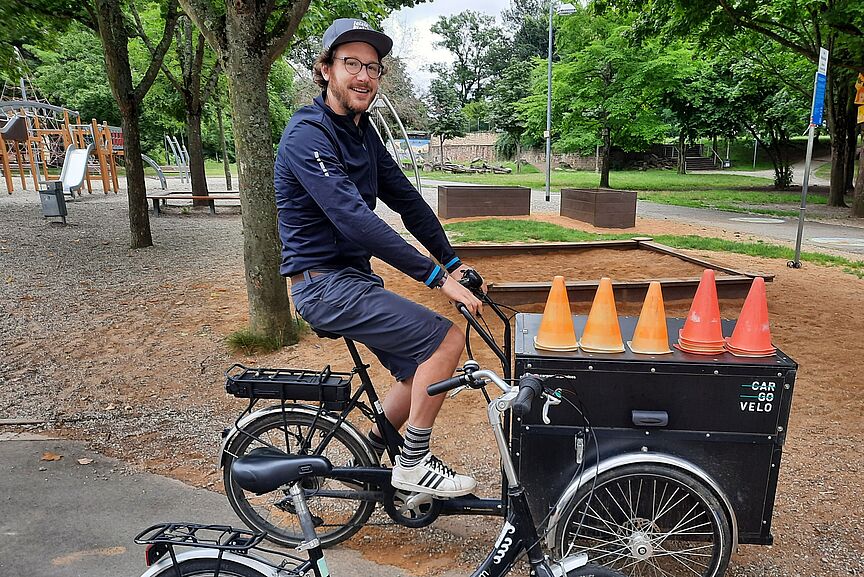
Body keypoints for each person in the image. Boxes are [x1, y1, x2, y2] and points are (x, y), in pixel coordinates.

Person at [274, 18, 483, 498]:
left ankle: (373, 448)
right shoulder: (307, 134)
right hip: (322, 285)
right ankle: (413, 463)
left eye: (373, 67)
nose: (364, 76)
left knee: (419, 372)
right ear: (325, 70)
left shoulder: (364, 134)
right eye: (351, 64)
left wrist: (452, 262)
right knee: (446, 341)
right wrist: (437, 277)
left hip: (352, 280)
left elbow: (407, 201)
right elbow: (354, 219)